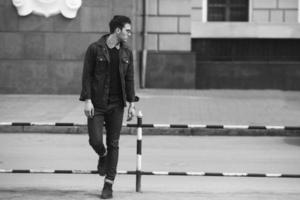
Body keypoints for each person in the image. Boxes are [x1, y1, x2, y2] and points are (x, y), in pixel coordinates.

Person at [79, 15, 138, 199]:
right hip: (97, 104)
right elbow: (87, 76)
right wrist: (87, 99)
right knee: (95, 140)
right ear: (117, 30)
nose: (130, 33)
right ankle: (102, 154)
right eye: (127, 30)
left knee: (114, 144)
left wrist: (131, 104)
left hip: (117, 105)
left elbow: (129, 79)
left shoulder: (127, 52)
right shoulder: (95, 49)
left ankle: (108, 185)